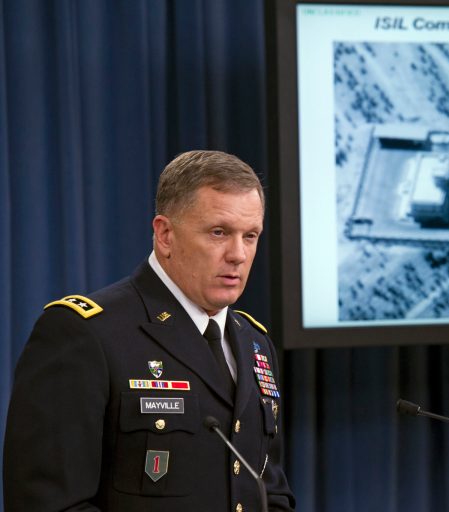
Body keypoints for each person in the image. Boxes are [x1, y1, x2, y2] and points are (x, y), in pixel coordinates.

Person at [3, 150, 295, 511]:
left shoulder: (255, 343)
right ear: (165, 234)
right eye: (219, 232)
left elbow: (270, 490)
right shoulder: (86, 334)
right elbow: (47, 503)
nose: (238, 254)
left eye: (250, 236)